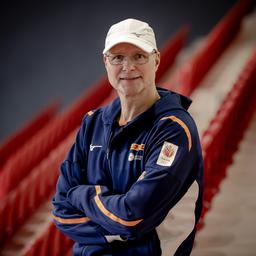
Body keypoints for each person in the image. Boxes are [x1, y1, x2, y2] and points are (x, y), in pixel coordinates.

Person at [52, 18, 204, 256]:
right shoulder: (93, 123)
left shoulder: (174, 130)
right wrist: (114, 229)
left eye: (139, 56)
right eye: (118, 57)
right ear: (106, 62)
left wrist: (81, 194)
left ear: (157, 60)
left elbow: (133, 217)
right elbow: (61, 211)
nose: (128, 66)